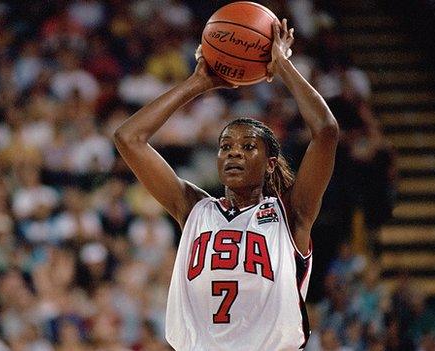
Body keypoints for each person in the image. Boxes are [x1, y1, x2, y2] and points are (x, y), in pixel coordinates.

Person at [114, 19, 339, 350]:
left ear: (270, 163)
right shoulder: (194, 208)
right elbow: (128, 138)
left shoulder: (291, 213)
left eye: (248, 147)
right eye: (225, 147)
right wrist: (197, 83)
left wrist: (282, 66)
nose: (234, 153)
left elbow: (326, 131)